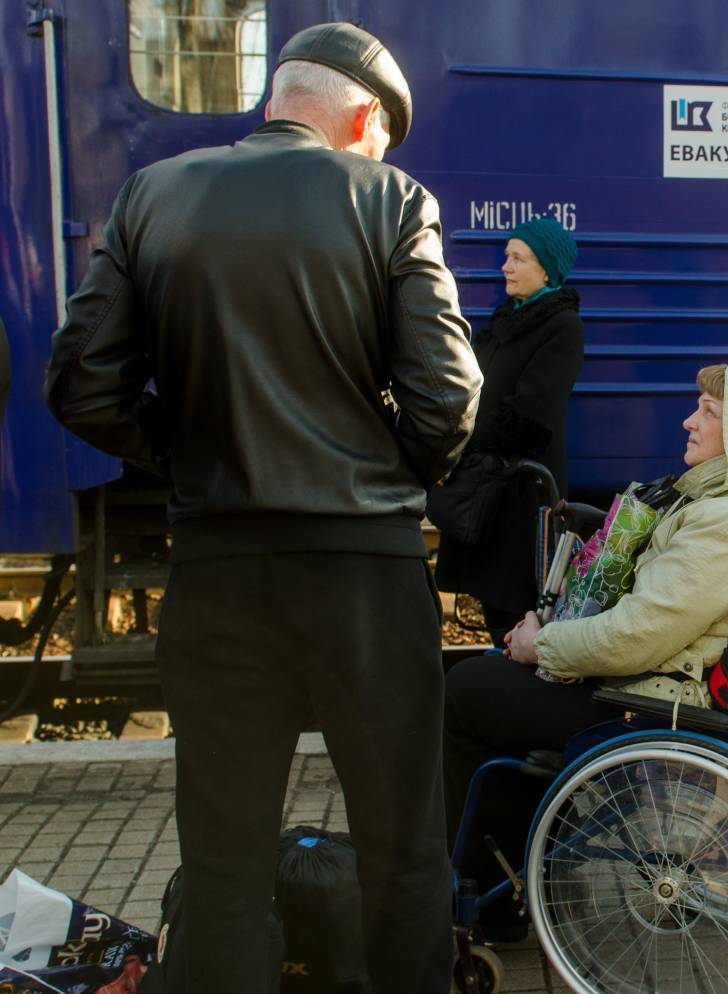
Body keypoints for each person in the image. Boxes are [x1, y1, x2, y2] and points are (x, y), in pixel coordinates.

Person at [45, 24, 482, 994]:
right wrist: (382, 468)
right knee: (403, 854)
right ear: (365, 116)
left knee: (226, 865)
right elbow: (449, 401)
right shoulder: (393, 202)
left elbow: (82, 383)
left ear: (279, 98)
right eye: (380, 138)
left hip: (217, 571)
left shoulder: (155, 194)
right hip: (366, 576)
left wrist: (186, 448)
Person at [443, 357, 728, 939]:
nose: (689, 422)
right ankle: (515, 881)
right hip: (694, 690)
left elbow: (634, 637)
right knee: (500, 694)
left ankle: (482, 897)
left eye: (710, 412)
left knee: (467, 692)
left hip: (669, 708)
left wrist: (541, 646)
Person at [435, 217, 583, 641]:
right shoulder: (509, 318)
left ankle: (510, 689)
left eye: (518, 258)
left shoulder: (562, 326)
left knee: (514, 609)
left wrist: (462, 439)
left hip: (522, 494)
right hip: (491, 487)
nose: (506, 266)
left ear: (547, 269)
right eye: (506, 256)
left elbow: (530, 413)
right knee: (492, 609)